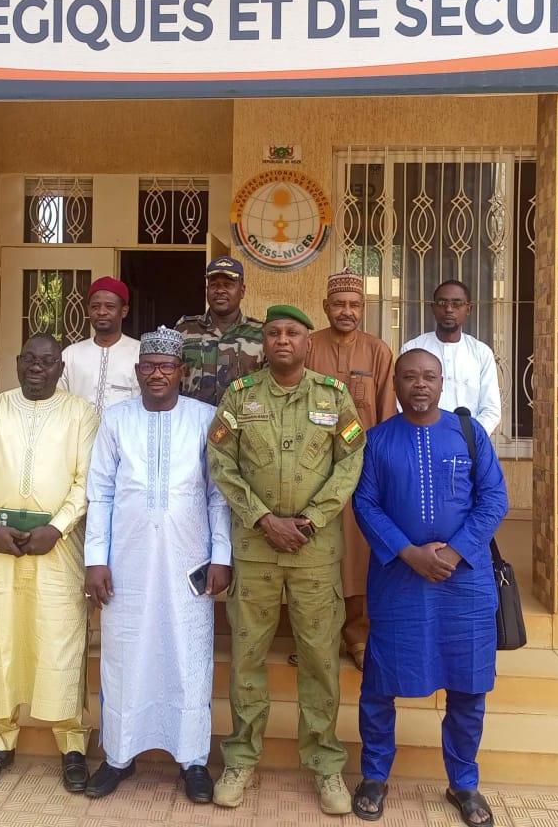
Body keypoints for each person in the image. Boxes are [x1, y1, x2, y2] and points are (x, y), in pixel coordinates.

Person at [207, 304, 366, 815]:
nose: (281, 340)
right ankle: (240, 759)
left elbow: (351, 463)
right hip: (256, 550)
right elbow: (220, 462)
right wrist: (262, 519)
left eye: (292, 333)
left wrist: (312, 520)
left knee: (319, 659)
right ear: (264, 342)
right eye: (273, 332)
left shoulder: (333, 397)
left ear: (307, 342)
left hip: (315, 553)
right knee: (247, 656)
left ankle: (325, 765)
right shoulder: (239, 396)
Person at [350, 349, 508, 825]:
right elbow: (365, 504)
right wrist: (409, 553)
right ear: (395, 385)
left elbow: (495, 498)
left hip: (465, 583)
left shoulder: (468, 433)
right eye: (409, 377)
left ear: (441, 383)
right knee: (380, 684)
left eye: (429, 377)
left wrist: (455, 552)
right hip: (399, 580)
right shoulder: (377, 441)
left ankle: (464, 783)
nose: (420, 385)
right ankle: (374, 775)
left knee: (468, 686)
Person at [82, 326, 232, 804]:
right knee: (124, 654)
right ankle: (118, 755)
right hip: (126, 561)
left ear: (181, 371)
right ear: (137, 370)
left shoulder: (205, 419)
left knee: (189, 655)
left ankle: (193, 759)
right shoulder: (115, 420)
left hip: (189, 561)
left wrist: (221, 556)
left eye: (166, 366)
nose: (157, 374)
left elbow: (218, 496)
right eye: (148, 366)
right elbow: (100, 493)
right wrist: (95, 560)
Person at [0, 334, 99, 795]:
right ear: (18, 363)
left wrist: (57, 528)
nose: (37, 367)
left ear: (61, 368)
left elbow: (86, 480)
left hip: (57, 548)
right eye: (30, 359)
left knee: (61, 640)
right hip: (0, 546)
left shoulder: (81, 414)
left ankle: (72, 744)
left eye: (48, 361)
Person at [306, 270, 397, 670]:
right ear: (326, 307)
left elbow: (386, 414)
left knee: (358, 554)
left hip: (361, 468)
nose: (347, 311)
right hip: (311, 470)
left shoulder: (378, 352)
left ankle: (358, 634)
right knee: (316, 552)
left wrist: (382, 471)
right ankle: (317, 639)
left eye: (355, 305)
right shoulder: (308, 346)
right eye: (339, 304)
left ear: (364, 308)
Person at [400, 280, 501, 436]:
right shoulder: (412, 349)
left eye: (456, 304)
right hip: (421, 437)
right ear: (433, 308)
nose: (448, 309)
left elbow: (491, 409)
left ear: (468, 309)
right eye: (442, 303)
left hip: (468, 442)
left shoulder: (481, 353)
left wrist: (469, 438)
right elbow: (402, 401)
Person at [175, 256, 264, 406]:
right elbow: (170, 377)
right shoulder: (184, 330)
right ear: (207, 290)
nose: (220, 290)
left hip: (243, 419)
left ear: (242, 291)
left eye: (228, 285)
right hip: (193, 418)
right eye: (214, 285)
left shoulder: (260, 333)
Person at [60, 276, 140, 418]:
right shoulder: (70, 354)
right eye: (95, 307)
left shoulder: (140, 353)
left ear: (124, 311)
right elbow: (58, 401)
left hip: (125, 431)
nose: (101, 312)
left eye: (110, 306)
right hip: (79, 431)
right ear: (88, 310)